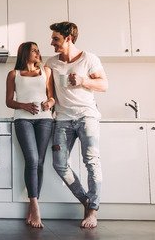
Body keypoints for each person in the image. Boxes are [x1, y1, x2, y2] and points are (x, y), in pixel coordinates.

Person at [45, 22, 108, 228]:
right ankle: (87, 201)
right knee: (60, 164)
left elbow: (103, 85)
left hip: (86, 116)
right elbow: (48, 90)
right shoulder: (51, 63)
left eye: (56, 39)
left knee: (91, 161)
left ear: (68, 38)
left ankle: (92, 211)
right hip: (62, 119)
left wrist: (83, 81)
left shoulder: (89, 58)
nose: (52, 42)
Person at [6, 42, 55, 228]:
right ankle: (35, 207)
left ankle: (32, 205)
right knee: (32, 160)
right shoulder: (14, 74)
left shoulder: (46, 72)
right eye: (34, 49)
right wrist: (23, 105)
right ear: (25, 52)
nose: (37, 52)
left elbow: (52, 97)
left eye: (37, 50)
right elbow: (9, 101)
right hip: (23, 120)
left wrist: (49, 104)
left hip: (45, 119)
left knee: (40, 162)